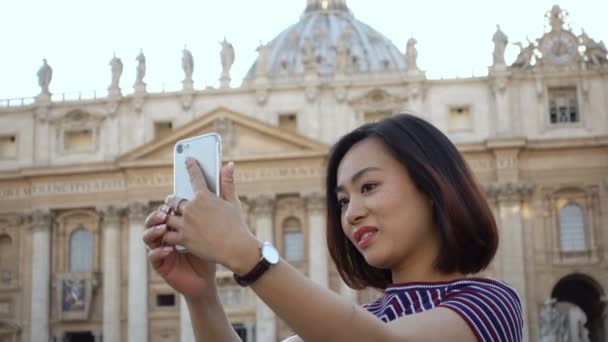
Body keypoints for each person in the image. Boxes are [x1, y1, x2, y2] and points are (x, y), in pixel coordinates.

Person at [143, 113, 523, 341]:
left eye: (368, 187)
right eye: (342, 201)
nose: (351, 214)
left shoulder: (488, 303)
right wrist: (202, 295)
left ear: (432, 187)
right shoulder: (345, 325)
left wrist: (245, 253)